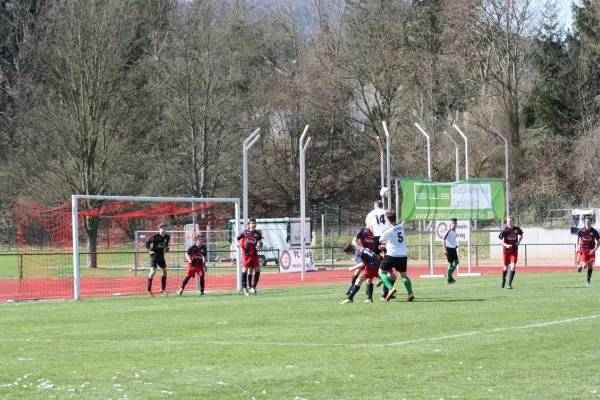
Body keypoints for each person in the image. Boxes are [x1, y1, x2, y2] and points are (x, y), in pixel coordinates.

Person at [378, 210, 414, 302]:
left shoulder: (388, 231)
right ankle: (410, 293)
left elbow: (381, 240)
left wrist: (384, 244)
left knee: (381, 272)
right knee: (404, 276)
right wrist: (388, 244)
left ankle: (390, 288)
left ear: (388, 220)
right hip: (402, 255)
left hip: (392, 255)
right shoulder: (401, 227)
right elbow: (396, 241)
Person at [345, 225, 376, 295]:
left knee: (370, 274)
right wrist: (360, 248)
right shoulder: (362, 230)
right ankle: (351, 287)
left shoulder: (375, 231)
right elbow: (353, 241)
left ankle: (369, 293)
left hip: (371, 256)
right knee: (358, 269)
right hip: (363, 254)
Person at [236, 218, 263, 296]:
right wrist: (237, 244)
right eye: (252, 223)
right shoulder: (245, 232)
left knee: (258, 270)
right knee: (245, 270)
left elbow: (261, 244)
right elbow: (236, 238)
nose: (253, 224)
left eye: (254, 223)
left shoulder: (258, 234)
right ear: (248, 225)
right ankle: (245, 288)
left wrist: (259, 246)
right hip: (246, 255)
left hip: (254, 254)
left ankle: (253, 287)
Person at [498, 216, 523, 289]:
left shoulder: (517, 229)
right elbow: (499, 240)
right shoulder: (505, 230)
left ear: (513, 222)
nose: (509, 222)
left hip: (514, 251)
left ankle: (509, 284)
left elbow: (521, 235)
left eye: (511, 221)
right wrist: (506, 245)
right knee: (505, 267)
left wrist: (519, 241)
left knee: (513, 266)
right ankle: (503, 280)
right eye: (508, 221)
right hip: (506, 251)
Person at [145, 222, 171, 296]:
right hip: (154, 256)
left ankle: (163, 289)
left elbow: (165, 246)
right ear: (159, 229)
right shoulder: (155, 237)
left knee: (165, 272)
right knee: (153, 271)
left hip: (161, 256)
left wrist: (166, 248)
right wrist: (150, 250)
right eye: (163, 227)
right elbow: (147, 243)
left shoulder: (167, 237)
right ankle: (148, 290)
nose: (164, 228)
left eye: (165, 227)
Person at [576, 216, 600, 285]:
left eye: (588, 221)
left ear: (591, 222)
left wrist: (595, 249)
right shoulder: (581, 230)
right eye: (586, 221)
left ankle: (588, 281)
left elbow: (598, 241)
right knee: (584, 266)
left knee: (590, 264)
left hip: (591, 250)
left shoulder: (594, 231)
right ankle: (581, 264)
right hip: (583, 250)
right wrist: (577, 247)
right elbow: (577, 238)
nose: (587, 223)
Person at [444, 218, 459, 284]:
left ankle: (449, 277)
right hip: (449, 249)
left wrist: (455, 245)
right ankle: (449, 278)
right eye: (453, 223)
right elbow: (443, 239)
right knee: (451, 264)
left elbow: (452, 239)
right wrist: (445, 249)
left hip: (453, 248)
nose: (454, 224)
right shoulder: (448, 231)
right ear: (450, 224)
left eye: (455, 223)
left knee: (456, 262)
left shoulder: (455, 231)